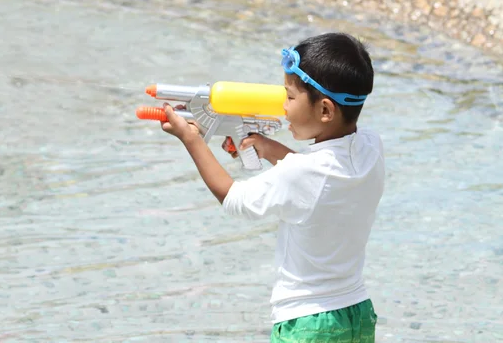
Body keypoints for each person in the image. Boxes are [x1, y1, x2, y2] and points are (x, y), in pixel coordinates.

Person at [159, 32, 385, 342]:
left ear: (325, 111)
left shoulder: (300, 173)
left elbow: (234, 199)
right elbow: (322, 184)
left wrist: (192, 139)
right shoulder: (370, 147)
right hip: (356, 312)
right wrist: (272, 150)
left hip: (308, 323)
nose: (282, 105)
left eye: (290, 97)